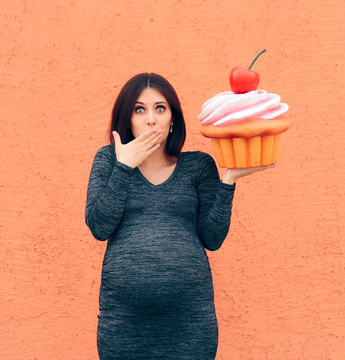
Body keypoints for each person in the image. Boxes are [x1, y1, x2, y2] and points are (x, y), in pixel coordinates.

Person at [85, 73, 276, 359]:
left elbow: (212, 239)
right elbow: (99, 227)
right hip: (124, 323)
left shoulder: (198, 166)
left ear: (173, 118)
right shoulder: (109, 160)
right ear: (127, 119)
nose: (151, 119)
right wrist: (124, 167)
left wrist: (229, 181)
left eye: (160, 108)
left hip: (190, 323)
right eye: (140, 109)